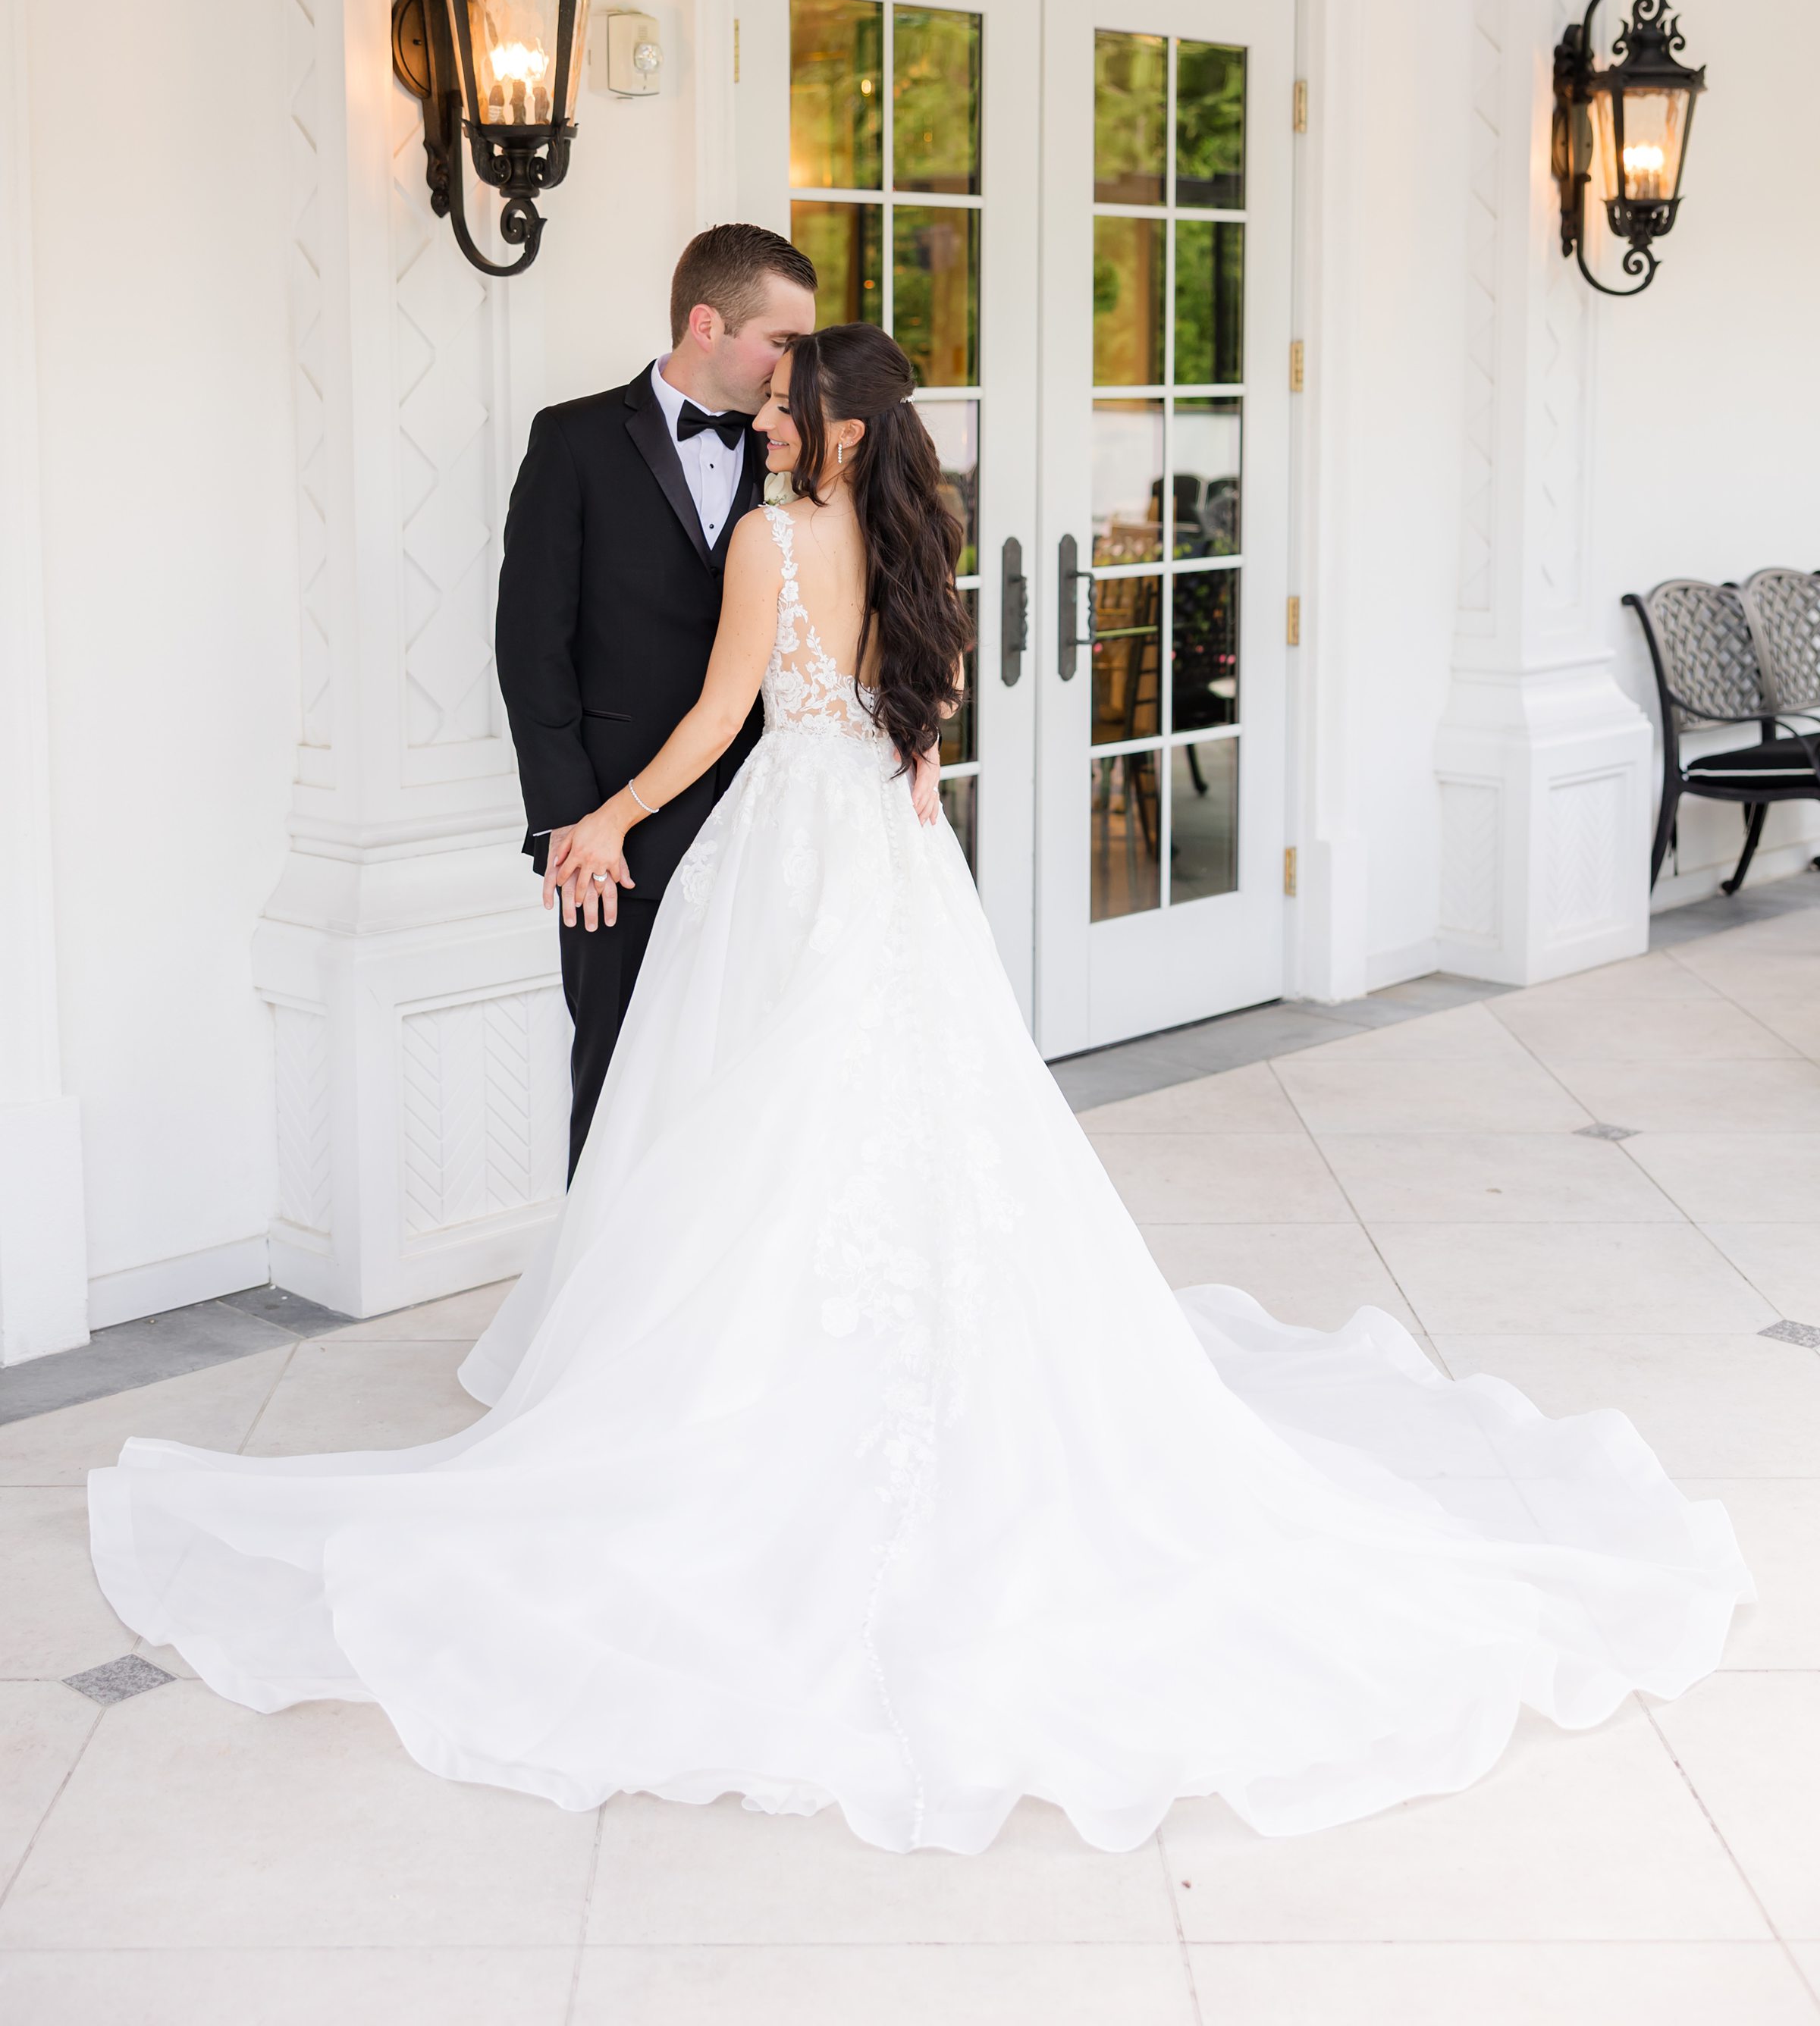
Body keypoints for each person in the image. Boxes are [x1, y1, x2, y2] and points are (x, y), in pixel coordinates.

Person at [88, 324, 1751, 1855]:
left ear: (822, 429)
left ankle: (736, 1381)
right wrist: (910, 806)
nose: (762, 419)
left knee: (754, 1126)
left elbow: (720, 717)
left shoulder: (769, 540)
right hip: (891, 856)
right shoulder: (911, 548)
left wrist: (599, 818)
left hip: (791, 848)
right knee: (924, 1122)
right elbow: (927, 717)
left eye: (781, 404)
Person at [494, 221, 817, 1179]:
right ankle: (595, 1309)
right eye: (783, 343)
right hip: (617, 827)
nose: (794, 367)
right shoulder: (574, 439)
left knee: (757, 1069)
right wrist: (568, 825)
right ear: (707, 323)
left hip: (775, 810)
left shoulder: (800, 448)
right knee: (618, 1066)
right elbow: (529, 645)